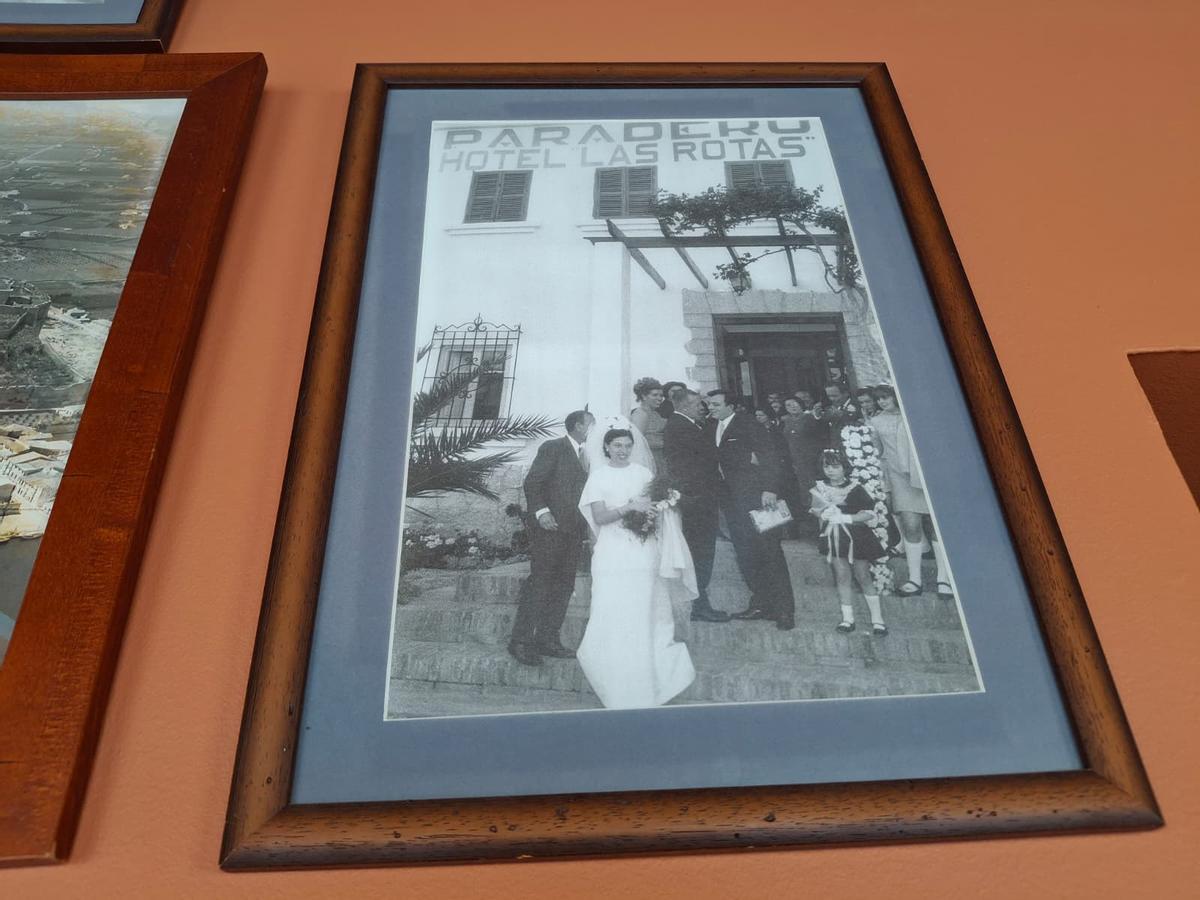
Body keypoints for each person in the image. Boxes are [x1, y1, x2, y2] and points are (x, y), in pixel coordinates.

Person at [576, 428, 696, 709]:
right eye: (617, 445)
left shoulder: (642, 473)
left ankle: (653, 678)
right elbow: (600, 516)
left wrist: (654, 512)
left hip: (643, 552)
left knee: (647, 610)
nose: (622, 450)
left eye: (627, 445)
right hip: (613, 554)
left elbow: (655, 507)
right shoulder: (599, 477)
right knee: (616, 610)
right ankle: (618, 677)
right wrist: (629, 507)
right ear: (606, 448)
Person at [507, 410, 594, 667]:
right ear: (579, 425)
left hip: (574, 529)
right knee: (541, 582)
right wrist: (542, 512)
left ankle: (548, 639)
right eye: (591, 424)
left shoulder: (589, 454)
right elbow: (533, 483)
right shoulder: (554, 447)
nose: (594, 429)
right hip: (549, 527)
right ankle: (520, 641)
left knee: (564, 584)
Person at [706, 389, 797, 630]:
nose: (710, 408)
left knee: (770, 552)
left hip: (759, 499)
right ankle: (761, 603)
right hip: (732, 502)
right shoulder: (710, 427)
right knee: (746, 553)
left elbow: (770, 457)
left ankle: (784, 610)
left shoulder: (749, 425)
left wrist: (770, 489)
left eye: (715, 404)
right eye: (709, 404)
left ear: (732, 406)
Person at [868, 385, 951, 597]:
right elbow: (877, 454)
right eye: (878, 400)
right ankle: (915, 580)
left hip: (926, 474)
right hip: (899, 478)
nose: (882, 402)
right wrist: (884, 484)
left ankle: (944, 579)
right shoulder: (875, 422)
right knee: (911, 526)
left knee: (935, 526)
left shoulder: (918, 415)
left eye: (885, 398)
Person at [663, 387, 730, 623]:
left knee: (700, 552)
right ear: (683, 406)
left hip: (697, 497)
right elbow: (709, 454)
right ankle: (699, 604)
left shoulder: (684, 424)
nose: (702, 408)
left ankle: (698, 602)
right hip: (697, 499)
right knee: (701, 553)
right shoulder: (682, 426)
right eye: (697, 404)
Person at [809, 449, 889, 635]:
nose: (830, 470)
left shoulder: (855, 487)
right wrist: (822, 513)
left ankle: (877, 620)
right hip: (834, 536)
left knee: (863, 576)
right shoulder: (820, 488)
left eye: (835, 466)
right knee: (842, 575)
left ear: (845, 467)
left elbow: (868, 513)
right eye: (826, 466)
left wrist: (847, 518)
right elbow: (815, 509)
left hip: (857, 537)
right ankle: (848, 619)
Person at [780, 396, 826, 534]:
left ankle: (821, 529)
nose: (793, 407)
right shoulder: (786, 421)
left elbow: (819, 436)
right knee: (802, 493)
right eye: (788, 405)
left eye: (795, 404)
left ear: (801, 405)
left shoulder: (810, 419)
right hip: (795, 461)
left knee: (814, 492)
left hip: (810, 460)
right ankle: (810, 528)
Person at [628, 376, 666, 472]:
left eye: (661, 395)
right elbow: (637, 443)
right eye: (655, 395)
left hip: (658, 458)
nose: (659, 398)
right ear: (644, 396)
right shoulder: (640, 414)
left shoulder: (655, 413)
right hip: (647, 460)